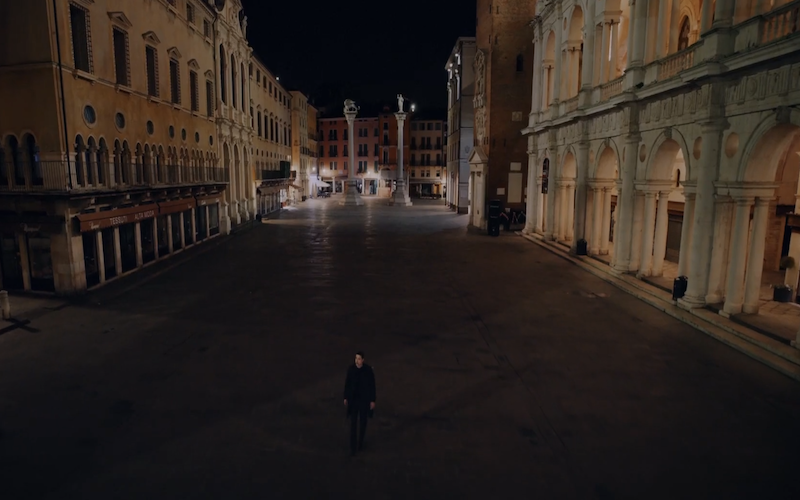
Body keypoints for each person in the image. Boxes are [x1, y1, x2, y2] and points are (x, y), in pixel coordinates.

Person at [343, 351, 376, 456]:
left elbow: (372, 386)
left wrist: (372, 400)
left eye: (359, 359)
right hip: (354, 400)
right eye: (356, 358)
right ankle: (353, 446)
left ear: (363, 360)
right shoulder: (352, 369)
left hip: (363, 401)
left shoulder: (367, 370)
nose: (357, 361)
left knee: (362, 423)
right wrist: (346, 397)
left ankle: (360, 443)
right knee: (353, 424)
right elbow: (347, 384)